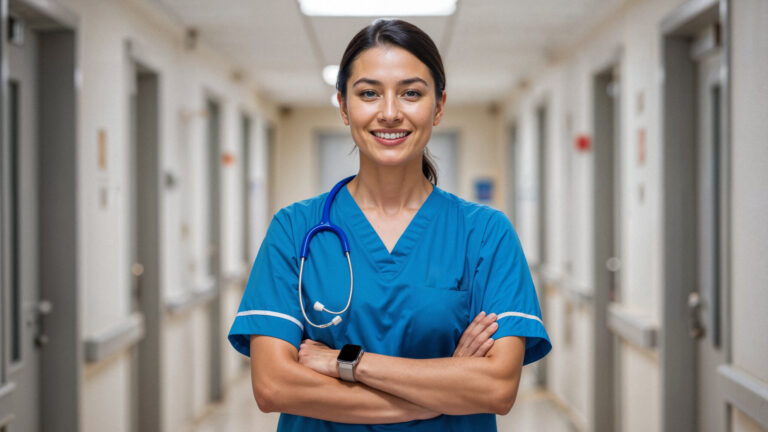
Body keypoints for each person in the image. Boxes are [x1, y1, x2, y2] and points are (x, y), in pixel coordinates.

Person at [228, 18, 551, 431]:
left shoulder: (485, 233)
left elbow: (497, 388)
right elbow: (273, 385)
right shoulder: (294, 229)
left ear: (438, 106)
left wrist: (346, 361)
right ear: (344, 106)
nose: (390, 113)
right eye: (368, 94)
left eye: (411, 93)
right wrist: (440, 390)